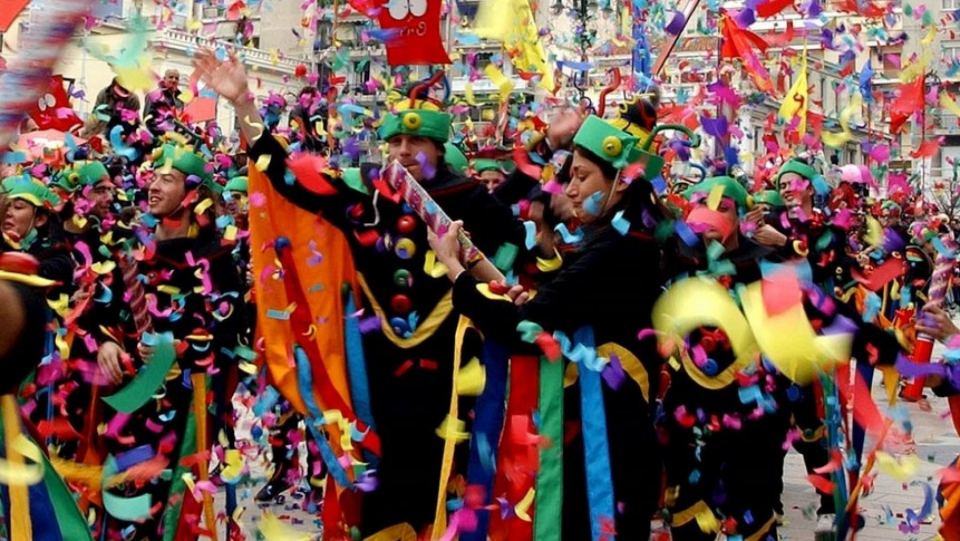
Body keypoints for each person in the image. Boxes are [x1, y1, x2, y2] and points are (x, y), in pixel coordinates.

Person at [193, 48, 526, 536]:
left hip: (452, 362)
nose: (404, 151)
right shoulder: (365, 199)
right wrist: (244, 105)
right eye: (396, 142)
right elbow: (288, 180)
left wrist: (487, 282)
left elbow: (515, 249)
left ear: (438, 149)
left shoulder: (471, 199)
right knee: (379, 481)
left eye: (416, 141)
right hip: (375, 366)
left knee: (446, 478)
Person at [430, 115, 666, 539]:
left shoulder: (620, 249)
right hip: (599, 436)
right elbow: (549, 311)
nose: (570, 189)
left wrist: (453, 268)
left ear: (621, 184)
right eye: (570, 176)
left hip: (605, 448)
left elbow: (525, 332)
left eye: (582, 176)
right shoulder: (618, 241)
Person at [96, 142, 245, 539]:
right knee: (122, 501)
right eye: (154, 178)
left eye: (168, 180)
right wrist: (107, 343)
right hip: (130, 400)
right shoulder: (132, 251)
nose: (154, 186)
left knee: (167, 507)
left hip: (183, 406)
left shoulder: (216, 257)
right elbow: (104, 313)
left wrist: (178, 349)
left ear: (193, 194)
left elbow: (229, 333)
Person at [143, 69, 185, 136]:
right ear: (164, 79)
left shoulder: (180, 99)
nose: (174, 80)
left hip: (176, 137)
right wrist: (161, 134)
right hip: (158, 137)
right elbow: (148, 119)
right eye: (171, 77)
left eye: (176, 78)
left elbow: (181, 119)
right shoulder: (154, 95)